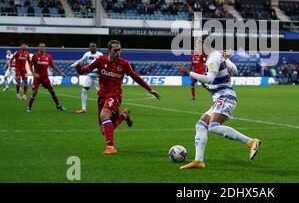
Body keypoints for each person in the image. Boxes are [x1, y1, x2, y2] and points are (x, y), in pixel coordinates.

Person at [176, 35, 261, 169]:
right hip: (220, 97)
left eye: (198, 45)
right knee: (201, 125)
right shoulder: (217, 56)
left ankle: (250, 142)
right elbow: (235, 70)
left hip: (225, 97)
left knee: (213, 126)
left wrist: (188, 72)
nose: (196, 48)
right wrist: (225, 63)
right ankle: (199, 161)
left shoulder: (213, 58)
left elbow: (209, 79)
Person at [76, 40, 161, 155]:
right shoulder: (100, 61)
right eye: (115, 50)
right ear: (109, 51)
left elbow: (135, 77)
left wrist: (150, 89)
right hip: (102, 96)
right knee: (104, 130)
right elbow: (83, 71)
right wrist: (78, 68)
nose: (118, 53)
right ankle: (124, 115)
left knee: (104, 115)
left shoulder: (124, 64)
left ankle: (110, 147)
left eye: (119, 50)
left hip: (114, 95)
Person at [27, 43, 66, 113]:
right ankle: (29, 107)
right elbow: (30, 66)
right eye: (41, 46)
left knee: (52, 91)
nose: (42, 48)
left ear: (45, 48)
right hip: (37, 77)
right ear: (38, 47)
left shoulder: (48, 56)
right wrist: (34, 74)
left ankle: (58, 105)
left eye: (43, 46)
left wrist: (61, 73)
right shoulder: (35, 56)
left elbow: (53, 66)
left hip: (45, 78)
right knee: (34, 92)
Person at [70, 43, 103, 114]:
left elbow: (102, 65)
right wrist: (74, 64)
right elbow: (81, 60)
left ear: (96, 48)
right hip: (90, 76)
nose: (93, 48)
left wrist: (94, 70)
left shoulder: (100, 55)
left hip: (98, 77)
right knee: (84, 90)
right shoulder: (87, 54)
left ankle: (104, 108)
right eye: (92, 46)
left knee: (102, 94)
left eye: (94, 46)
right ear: (89, 47)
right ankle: (83, 109)